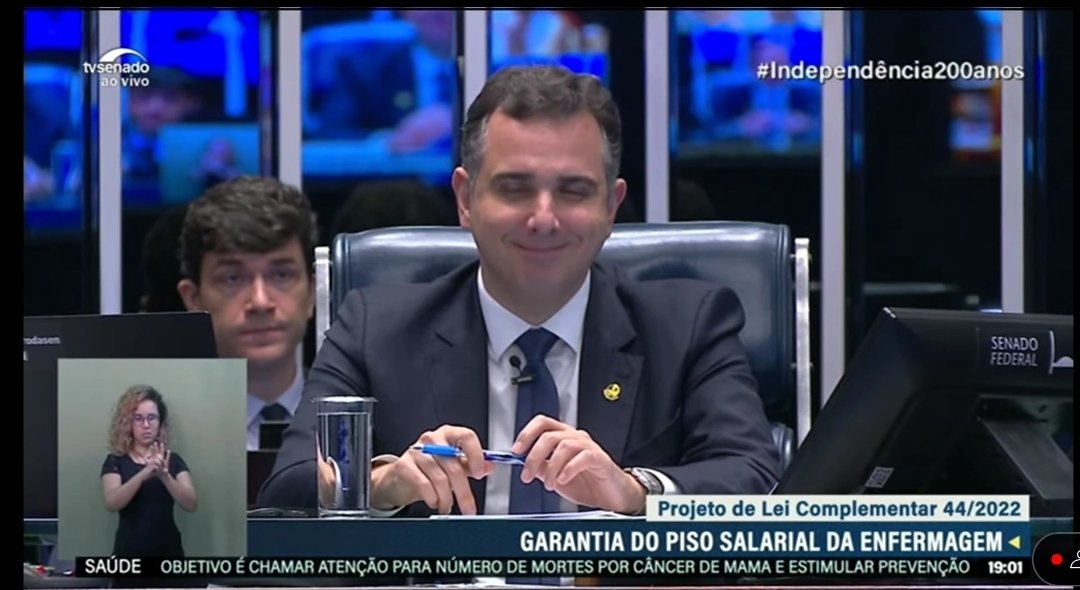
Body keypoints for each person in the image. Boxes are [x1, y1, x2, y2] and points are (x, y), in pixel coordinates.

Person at [259, 65, 779, 517]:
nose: (543, 219)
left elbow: (757, 480)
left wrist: (633, 490)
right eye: (515, 188)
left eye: (573, 191)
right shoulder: (376, 327)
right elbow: (286, 491)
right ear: (465, 198)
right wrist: (384, 484)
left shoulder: (689, 327)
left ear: (611, 207)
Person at [177, 176, 318, 451]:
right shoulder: (161, 434)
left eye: (281, 275)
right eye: (233, 278)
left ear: (312, 292)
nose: (260, 302)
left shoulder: (359, 426)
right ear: (193, 298)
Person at [101, 385, 197, 557]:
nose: (146, 425)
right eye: (138, 418)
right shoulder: (115, 461)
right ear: (128, 423)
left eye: (152, 418)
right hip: (128, 554)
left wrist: (165, 476)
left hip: (169, 553)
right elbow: (111, 503)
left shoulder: (173, 460)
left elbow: (191, 504)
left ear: (160, 422)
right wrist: (144, 473)